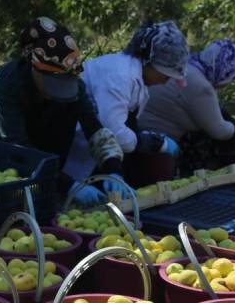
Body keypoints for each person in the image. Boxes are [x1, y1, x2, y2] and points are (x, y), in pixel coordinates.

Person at [0, 17, 123, 207]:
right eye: (53, 81)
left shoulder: (74, 84)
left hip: (31, 137)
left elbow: (93, 126)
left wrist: (113, 169)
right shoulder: (8, 82)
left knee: (65, 114)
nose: (59, 89)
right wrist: (68, 184)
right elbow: (16, 146)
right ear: (33, 66)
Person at [62, 20, 190, 190]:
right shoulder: (119, 76)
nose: (165, 81)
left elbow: (126, 122)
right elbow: (114, 131)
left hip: (93, 152)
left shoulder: (137, 78)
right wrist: (148, 142)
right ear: (150, 63)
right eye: (165, 75)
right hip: (70, 146)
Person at [139, 38, 235, 148]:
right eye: (231, 78)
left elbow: (215, 110)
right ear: (225, 71)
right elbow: (220, 131)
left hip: (137, 129)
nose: (228, 83)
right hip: (155, 142)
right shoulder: (201, 86)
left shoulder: (188, 65)